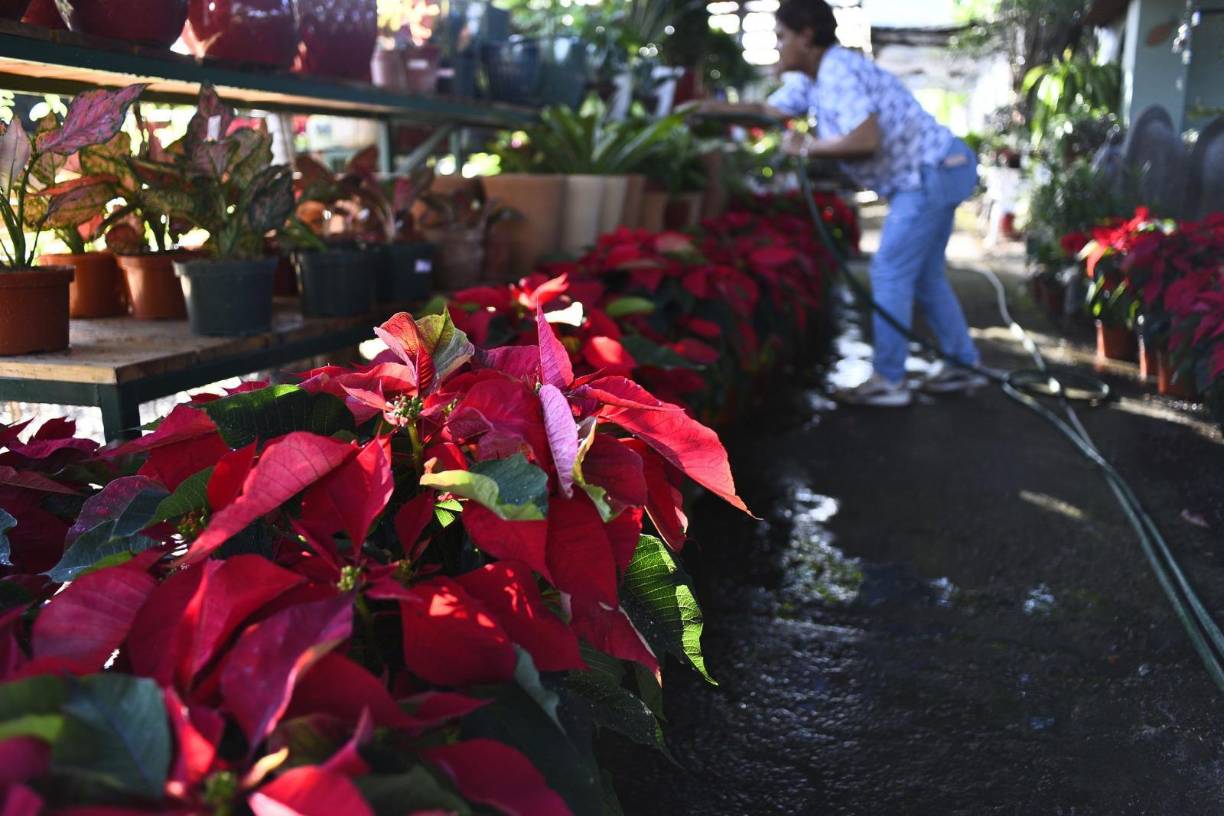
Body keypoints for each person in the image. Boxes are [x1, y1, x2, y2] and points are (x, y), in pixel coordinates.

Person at [706, 0, 986, 407]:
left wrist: (808, 147)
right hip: (940, 168)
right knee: (925, 277)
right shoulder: (814, 77)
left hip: (932, 172)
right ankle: (962, 364)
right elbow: (768, 110)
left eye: (782, 37)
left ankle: (889, 379)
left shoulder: (838, 70)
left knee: (889, 270)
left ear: (806, 36)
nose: (777, 46)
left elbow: (865, 139)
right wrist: (710, 110)